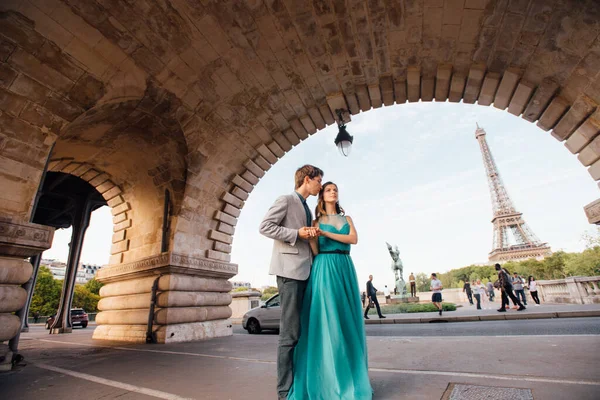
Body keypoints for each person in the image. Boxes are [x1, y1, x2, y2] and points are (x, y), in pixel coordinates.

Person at [287, 181, 373, 400]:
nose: (333, 192)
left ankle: (350, 378)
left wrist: (326, 233)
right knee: (327, 321)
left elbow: (353, 239)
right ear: (322, 196)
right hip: (324, 269)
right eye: (328, 189)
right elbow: (315, 250)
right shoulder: (315, 221)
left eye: (335, 189)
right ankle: (326, 381)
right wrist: (315, 237)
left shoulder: (347, 219)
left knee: (347, 321)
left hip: (345, 266)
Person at [259, 164, 323, 400]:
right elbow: (265, 227)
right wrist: (297, 234)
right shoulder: (286, 199)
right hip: (289, 273)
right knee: (290, 333)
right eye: (318, 181)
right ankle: (284, 392)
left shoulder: (307, 207)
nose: (320, 185)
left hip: (306, 273)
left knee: (302, 331)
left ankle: (300, 383)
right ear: (308, 179)